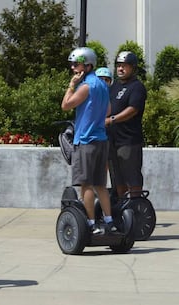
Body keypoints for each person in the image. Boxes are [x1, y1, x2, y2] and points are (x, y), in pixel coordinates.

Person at [61, 47, 118, 234]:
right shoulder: (102, 85)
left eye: (76, 64)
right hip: (101, 139)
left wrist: (71, 85)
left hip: (86, 141)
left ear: (87, 65)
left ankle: (92, 224)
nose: (73, 68)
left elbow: (65, 105)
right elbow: (108, 111)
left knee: (86, 185)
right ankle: (109, 221)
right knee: (100, 184)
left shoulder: (85, 86)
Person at [105, 51, 146, 199]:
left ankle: (136, 206)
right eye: (118, 66)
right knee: (117, 177)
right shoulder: (114, 85)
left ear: (132, 68)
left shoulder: (137, 87)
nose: (120, 69)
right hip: (112, 139)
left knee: (132, 176)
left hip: (128, 140)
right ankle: (122, 208)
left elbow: (133, 110)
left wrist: (112, 119)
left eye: (124, 66)